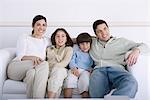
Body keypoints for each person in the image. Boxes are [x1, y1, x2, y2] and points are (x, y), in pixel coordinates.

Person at [89, 19, 150, 98]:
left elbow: (145, 46)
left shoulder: (121, 42)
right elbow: (76, 39)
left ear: (108, 28)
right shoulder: (92, 41)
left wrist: (136, 50)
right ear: (96, 34)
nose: (104, 33)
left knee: (131, 83)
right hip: (99, 71)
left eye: (105, 29)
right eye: (99, 31)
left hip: (117, 69)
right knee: (96, 95)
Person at [7, 15, 50, 98]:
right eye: (38, 24)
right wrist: (33, 57)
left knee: (32, 74)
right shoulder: (24, 37)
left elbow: (61, 40)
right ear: (33, 26)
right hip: (16, 67)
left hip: (30, 70)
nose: (41, 27)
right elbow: (20, 56)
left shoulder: (46, 41)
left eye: (44, 25)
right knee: (44, 64)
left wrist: (78, 39)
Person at [63, 32, 93, 98]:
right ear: (78, 45)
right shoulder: (76, 51)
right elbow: (72, 60)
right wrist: (73, 67)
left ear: (90, 43)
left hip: (86, 71)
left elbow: (94, 63)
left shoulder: (92, 52)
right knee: (69, 80)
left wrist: (91, 69)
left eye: (87, 43)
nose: (85, 46)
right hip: (75, 69)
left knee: (85, 82)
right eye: (82, 44)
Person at [46, 28, 73, 98]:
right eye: (57, 36)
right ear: (54, 38)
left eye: (63, 36)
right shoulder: (49, 49)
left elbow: (65, 63)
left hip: (61, 70)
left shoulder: (69, 49)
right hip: (47, 70)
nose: (60, 38)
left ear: (66, 38)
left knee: (58, 71)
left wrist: (53, 66)